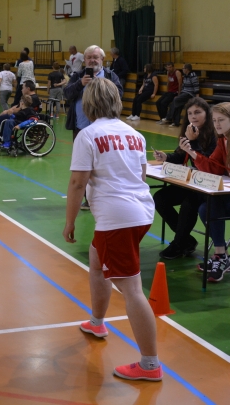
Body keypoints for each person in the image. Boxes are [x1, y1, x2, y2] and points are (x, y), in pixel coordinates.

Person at [63, 78, 161, 382]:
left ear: (88, 104)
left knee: (132, 290)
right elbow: (141, 175)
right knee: (96, 259)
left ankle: (150, 365)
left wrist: (70, 221)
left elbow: (78, 183)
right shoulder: (135, 134)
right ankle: (97, 322)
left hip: (117, 219)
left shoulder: (88, 135)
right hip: (141, 211)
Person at [152, 98, 216, 259]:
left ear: (207, 114)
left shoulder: (214, 135)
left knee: (189, 203)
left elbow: (207, 162)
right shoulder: (189, 131)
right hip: (192, 182)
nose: (193, 116)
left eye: (197, 112)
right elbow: (181, 155)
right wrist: (166, 157)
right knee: (160, 198)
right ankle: (186, 240)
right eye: (190, 113)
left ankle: (179, 243)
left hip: (210, 184)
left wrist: (193, 143)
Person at [63, 45, 123, 210]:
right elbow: (67, 94)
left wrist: (104, 87)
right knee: (82, 165)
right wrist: (80, 84)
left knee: (105, 162)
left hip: (106, 130)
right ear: (85, 60)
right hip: (81, 128)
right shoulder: (77, 76)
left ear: (102, 59)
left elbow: (119, 94)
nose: (92, 60)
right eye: (89, 57)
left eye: (95, 57)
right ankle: (87, 199)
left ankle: (104, 196)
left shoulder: (111, 76)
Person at [182, 102, 230, 282]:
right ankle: (221, 255)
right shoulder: (223, 140)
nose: (217, 124)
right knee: (206, 208)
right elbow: (213, 168)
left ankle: (221, 256)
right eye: (215, 120)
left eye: (221, 120)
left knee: (211, 205)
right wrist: (192, 152)